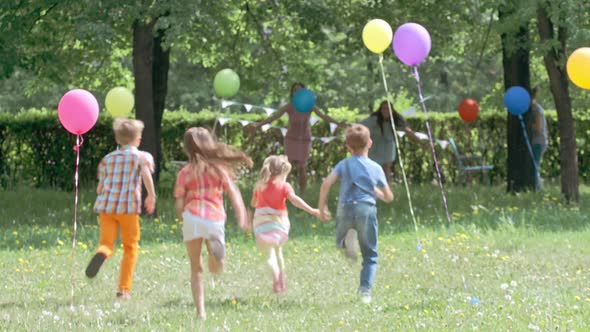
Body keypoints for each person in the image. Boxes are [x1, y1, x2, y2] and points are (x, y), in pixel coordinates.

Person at [174, 127, 252, 320]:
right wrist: (242, 216)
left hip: (192, 218)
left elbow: (178, 200)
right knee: (217, 267)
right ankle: (215, 257)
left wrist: (181, 217)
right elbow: (234, 193)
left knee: (195, 268)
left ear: (187, 148)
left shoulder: (185, 172)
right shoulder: (219, 169)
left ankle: (201, 313)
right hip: (214, 218)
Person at [318, 124, 394, 304]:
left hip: (345, 207)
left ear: (348, 147)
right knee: (370, 255)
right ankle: (365, 292)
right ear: (370, 143)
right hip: (366, 208)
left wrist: (322, 208)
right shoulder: (376, 168)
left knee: (341, 239)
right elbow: (389, 197)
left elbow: (326, 184)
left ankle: (346, 239)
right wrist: (376, 192)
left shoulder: (344, 164)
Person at [85, 118, 157, 301]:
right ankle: (123, 290)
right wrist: (151, 195)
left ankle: (102, 253)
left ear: (117, 139)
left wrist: (104, 189)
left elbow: (99, 189)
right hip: (128, 209)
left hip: (106, 208)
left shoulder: (107, 159)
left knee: (107, 243)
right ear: (138, 139)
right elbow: (146, 175)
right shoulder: (141, 157)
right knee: (130, 248)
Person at [249, 82, 347, 195]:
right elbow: (274, 117)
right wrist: (258, 125)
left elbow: (324, 116)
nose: (297, 92)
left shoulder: (309, 106)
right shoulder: (290, 106)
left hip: (304, 140)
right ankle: (288, 195)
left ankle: (302, 195)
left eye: (300, 90)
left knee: (302, 168)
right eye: (295, 90)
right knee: (288, 169)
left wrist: (339, 124)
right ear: (292, 93)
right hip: (291, 139)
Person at [250, 155, 320, 293]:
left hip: (262, 226)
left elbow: (253, 203)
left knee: (269, 255)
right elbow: (295, 200)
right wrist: (311, 210)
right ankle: (282, 282)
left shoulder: (259, 186)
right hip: (279, 226)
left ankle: (275, 276)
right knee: (278, 252)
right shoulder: (284, 186)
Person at [360, 100, 428, 183]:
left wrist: (421, 143)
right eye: (384, 108)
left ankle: (386, 190)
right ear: (380, 110)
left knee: (387, 167)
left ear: (392, 110)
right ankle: (371, 188)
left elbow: (408, 131)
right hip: (375, 147)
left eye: (388, 109)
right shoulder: (374, 119)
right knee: (371, 167)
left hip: (388, 146)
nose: (386, 111)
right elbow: (358, 126)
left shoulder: (396, 119)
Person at [530, 86, 548, 190]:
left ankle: (538, 188)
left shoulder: (536, 109)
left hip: (538, 142)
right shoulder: (532, 109)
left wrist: (530, 126)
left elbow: (539, 127)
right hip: (535, 141)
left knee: (534, 166)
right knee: (533, 165)